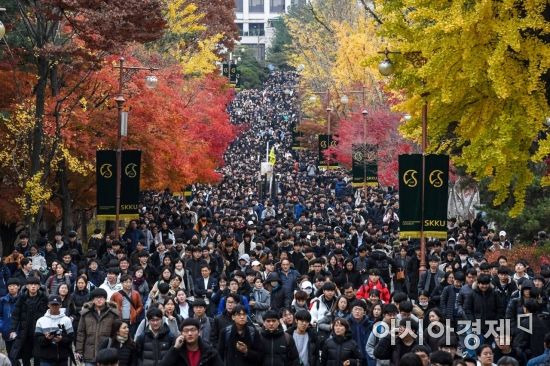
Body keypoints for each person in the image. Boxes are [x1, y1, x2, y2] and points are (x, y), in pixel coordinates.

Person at [9, 276, 49, 366]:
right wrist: (12, 330)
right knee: (25, 356)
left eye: (35, 284)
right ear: (27, 286)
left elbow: (49, 314)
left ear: (39, 286)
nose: (33, 286)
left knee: (38, 356)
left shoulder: (44, 298)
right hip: (25, 332)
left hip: (39, 332)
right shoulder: (22, 298)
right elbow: (15, 315)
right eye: (31, 284)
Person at [76, 288, 120, 366]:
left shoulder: (113, 314)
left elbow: (115, 334)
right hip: (89, 353)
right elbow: (81, 333)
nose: (99, 300)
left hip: (106, 355)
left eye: (102, 297)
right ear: (93, 300)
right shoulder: (86, 314)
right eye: (96, 298)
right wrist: (79, 351)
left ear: (105, 299)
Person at [34, 295, 74, 366]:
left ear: (60, 305)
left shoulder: (67, 320)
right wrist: (46, 338)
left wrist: (61, 339)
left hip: (62, 358)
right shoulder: (41, 320)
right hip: (46, 358)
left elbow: (71, 337)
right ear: (48, 305)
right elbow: (37, 339)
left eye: (57, 304)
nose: (54, 306)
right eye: (52, 304)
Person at [0, 278, 20, 357]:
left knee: (19, 355)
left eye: (14, 286)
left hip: (20, 332)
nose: (11, 288)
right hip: (7, 331)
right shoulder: (3, 300)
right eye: (9, 286)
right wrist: (2, 327)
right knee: (10, 354)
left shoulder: (22, 299)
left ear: (18, 287)